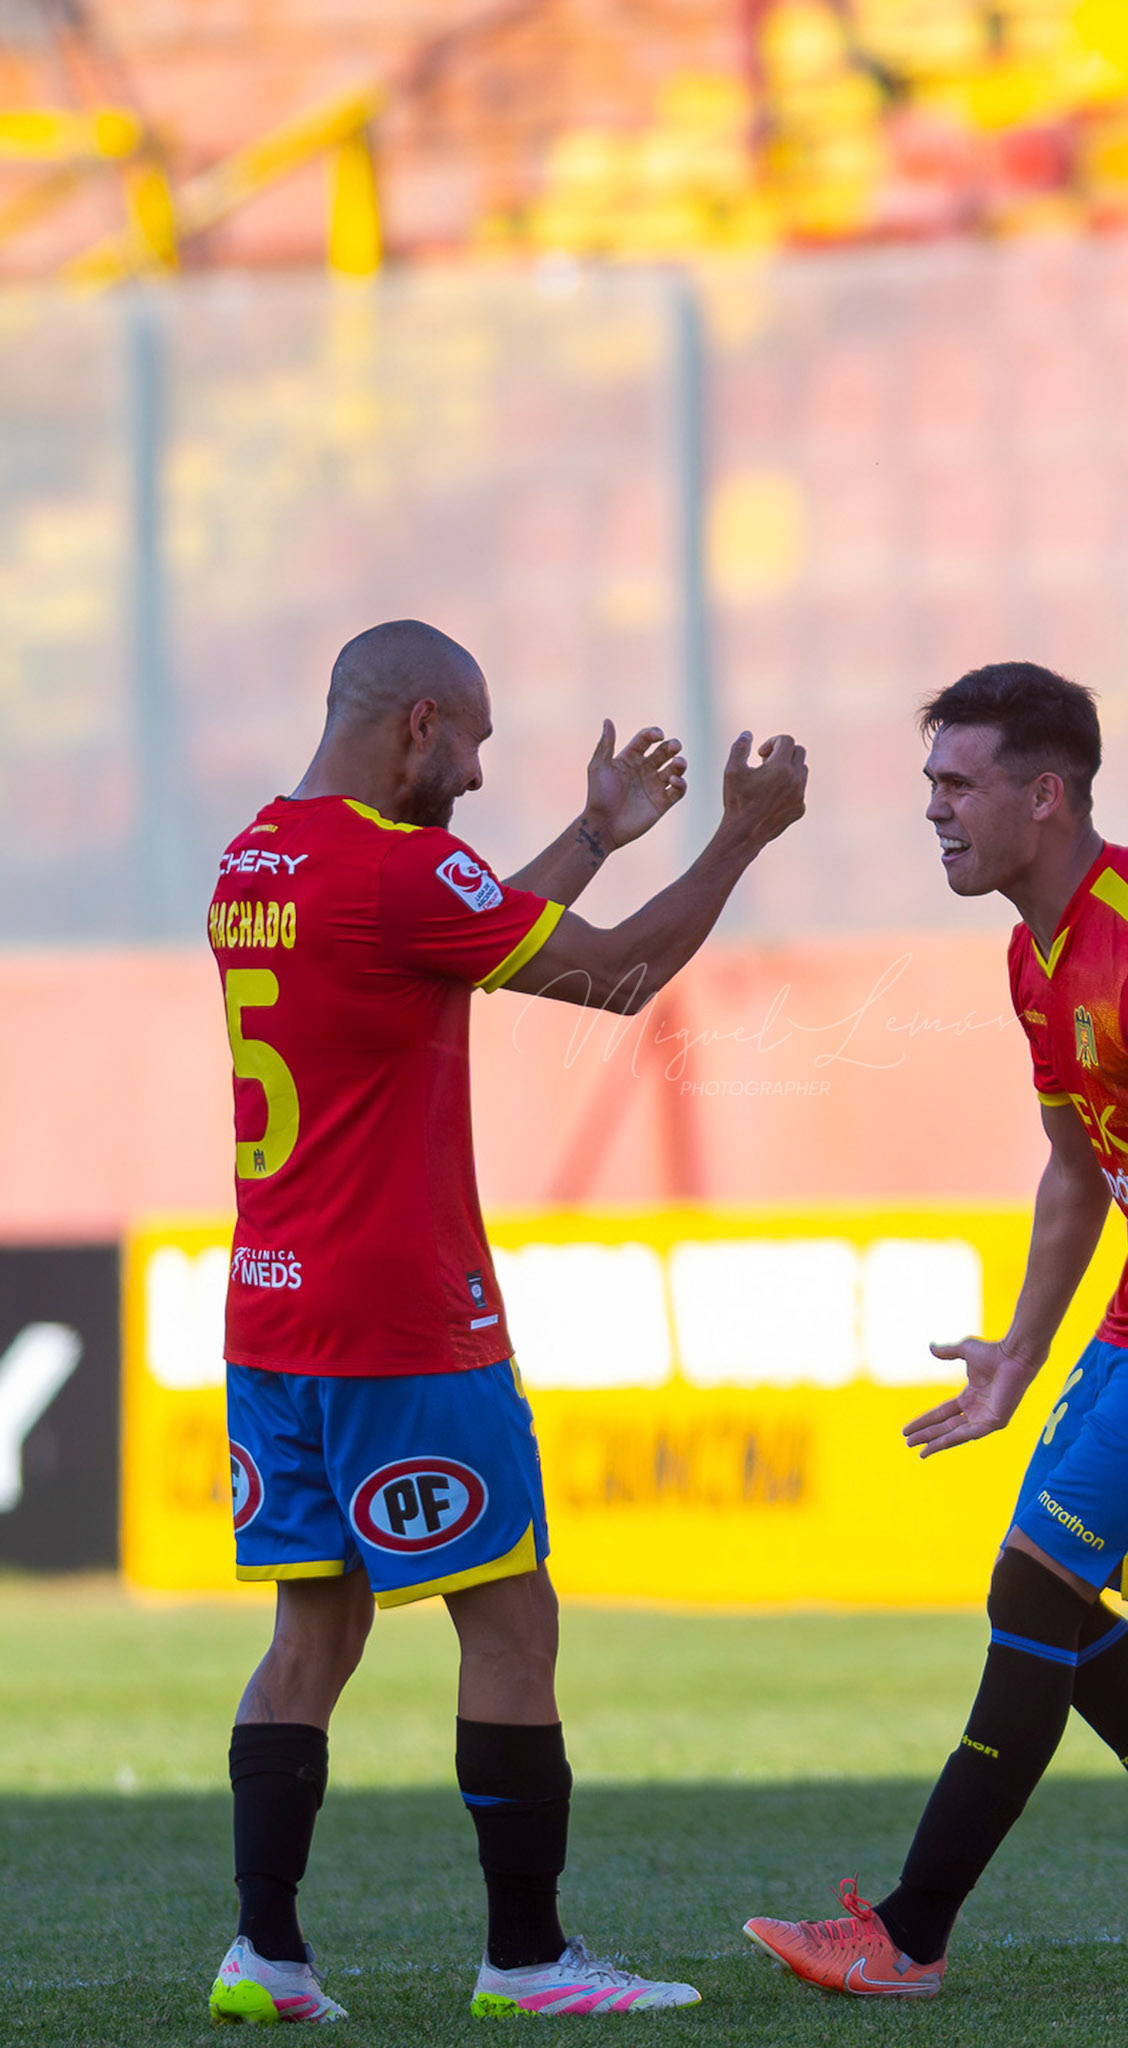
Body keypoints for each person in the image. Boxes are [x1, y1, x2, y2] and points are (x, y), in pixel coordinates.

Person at [743, 661, 1128, 1997]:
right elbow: (1077, 1170)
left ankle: (909, 1935)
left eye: (957, 783)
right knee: (1046, 1602)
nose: (934, 810)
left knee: (1035, 1591)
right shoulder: (1034, 953)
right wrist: (1018, 1354)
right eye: (930, 784)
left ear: (1046, 794)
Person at [205, 618, 806, 2024]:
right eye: (471, 740)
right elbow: (608, 977)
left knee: (313, 1630)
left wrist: (594, 837)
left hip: (273, 1315)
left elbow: (454, 935)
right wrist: (737, 840)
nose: (478, 773)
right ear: (419, 722)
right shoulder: (399, 871)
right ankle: (528, 1962)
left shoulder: (257, 859)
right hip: (406, 1319)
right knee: (511, 1622)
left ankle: (264, 1955)